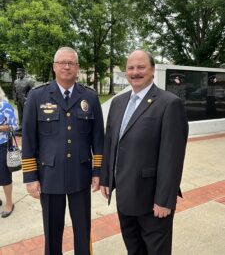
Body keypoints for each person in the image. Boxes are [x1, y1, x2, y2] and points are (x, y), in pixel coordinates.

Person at [100, 50, 189, 255]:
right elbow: (110, 142)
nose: (135, 72)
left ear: (152, 70)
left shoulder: (169, 103)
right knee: (134, 249)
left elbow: (172, 157)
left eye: (141, 67)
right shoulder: (117, 103)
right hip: (124, 197)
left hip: (152, 202)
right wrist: (106, 179)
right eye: (131, 68)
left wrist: (165, 200)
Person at [22, 47, 104, 255]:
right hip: (49, 176)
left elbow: (98, 138)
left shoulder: (90, 97)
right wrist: (30, 177)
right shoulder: (37, 96)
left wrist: (97, 172)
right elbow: (29, 139)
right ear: (54, 67)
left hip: (80, 174)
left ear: (77, 68)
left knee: (83, 230)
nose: (66, 66)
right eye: (62, 63)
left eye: (71, 63)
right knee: (52, 231)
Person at [0, 86, 18, 218]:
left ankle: (9, 203)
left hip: (3, 145)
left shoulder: (4, 106)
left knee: (4, 174)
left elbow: (14, 126)